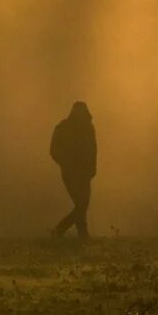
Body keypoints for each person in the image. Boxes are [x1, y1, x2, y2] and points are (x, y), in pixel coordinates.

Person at [51, 101, 97, 238]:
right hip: (71, 173)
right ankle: (62, 230)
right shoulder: (63, 128)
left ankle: (78, 233)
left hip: (84, 172)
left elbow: (93, 149)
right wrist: (66, 163)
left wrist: (92, 167)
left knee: (82, 204)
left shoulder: (88, 128)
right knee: (81, 204)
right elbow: (54, 150)